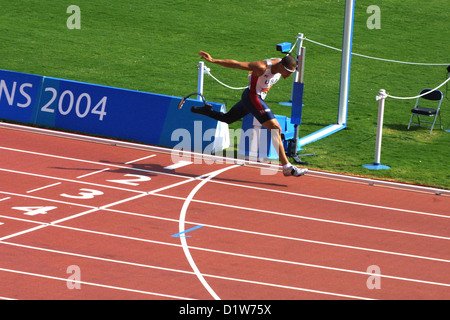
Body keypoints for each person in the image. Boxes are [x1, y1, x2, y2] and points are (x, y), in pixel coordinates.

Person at [191, 51, 308, 177]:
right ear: (281, 66)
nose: (289, 76)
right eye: (288, 72)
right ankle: (286, 167)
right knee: (276, 129)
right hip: (252, 97)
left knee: (227, 118)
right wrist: (213, 60)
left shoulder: (280, 63)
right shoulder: (261, 67)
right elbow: (237, 64)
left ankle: (205, 111)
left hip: (255, 98)